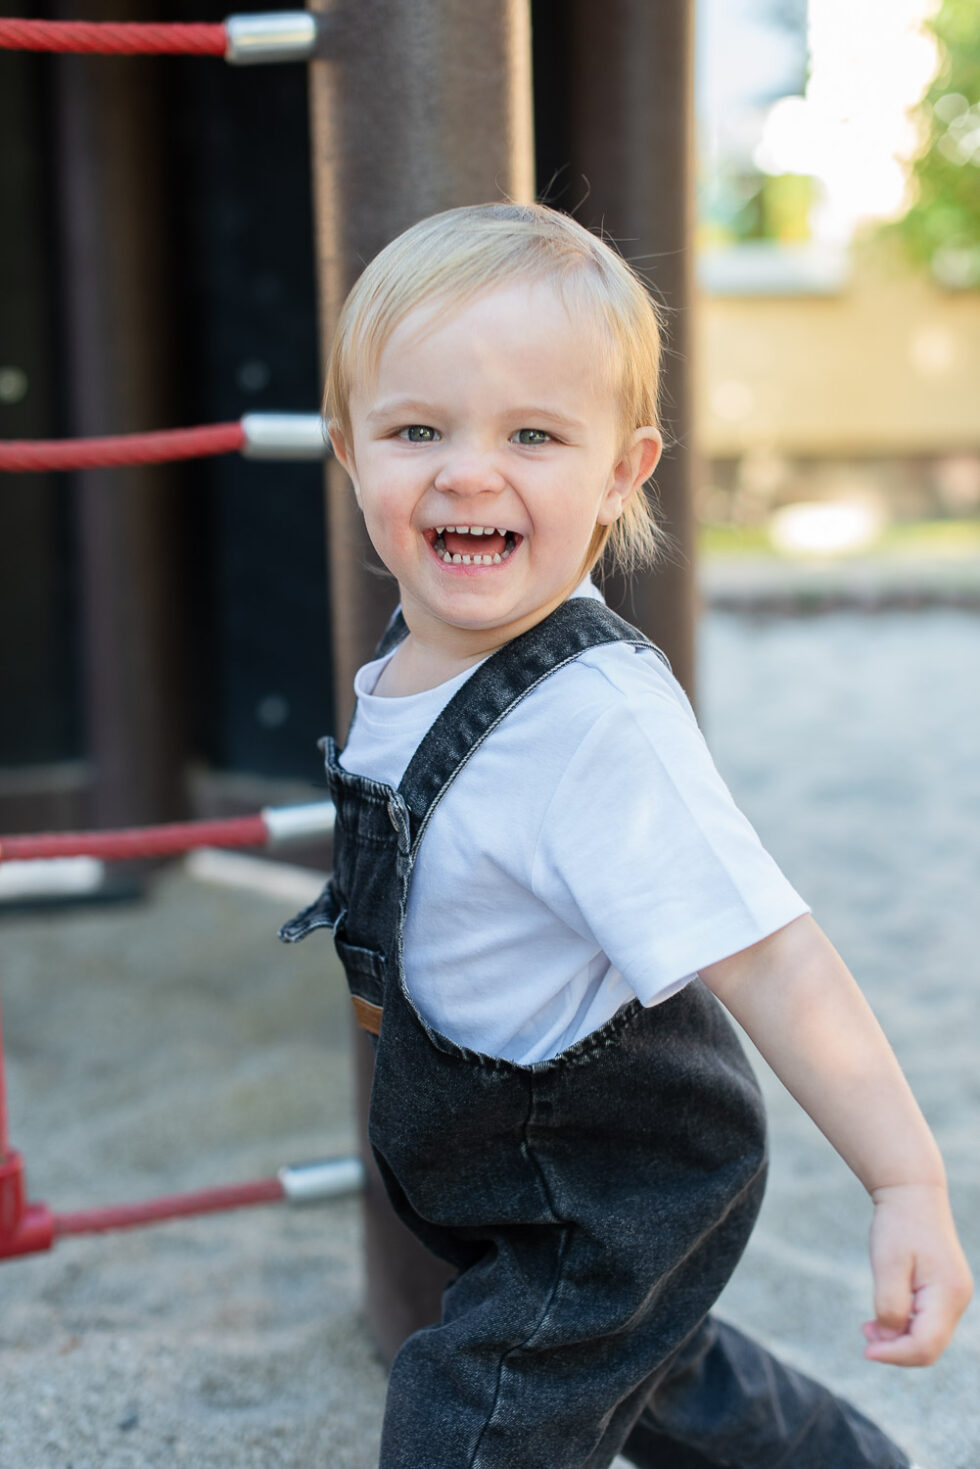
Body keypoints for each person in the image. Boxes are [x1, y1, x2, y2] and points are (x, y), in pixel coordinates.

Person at [281, 202, 972, 1468]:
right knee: (654, 1362)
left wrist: (904, 1183)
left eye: (532, 434)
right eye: (416, 428)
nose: (467, 470)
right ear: (348, 451)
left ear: (621, 468)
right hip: (505, 1159)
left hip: (611, 1178)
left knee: (476, 1405)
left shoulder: (596, 726)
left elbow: (772, 957)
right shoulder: (415, 650)